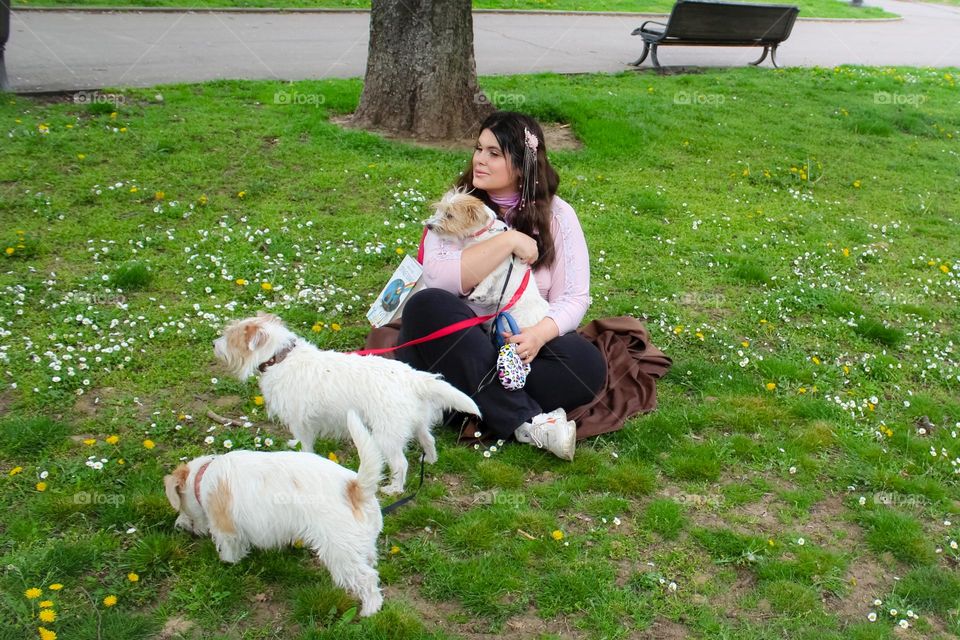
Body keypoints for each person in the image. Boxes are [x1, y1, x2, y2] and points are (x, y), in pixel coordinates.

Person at [396, 111, 606, 461]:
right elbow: (443, 278)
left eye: (494, 153)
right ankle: (527, 421)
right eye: (479, 149)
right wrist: (509, 242)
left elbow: (573, 297)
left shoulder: (558, 215)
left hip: (520, 346)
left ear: (523, 166)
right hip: (459, 341)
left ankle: (472, 403)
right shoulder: (456, 208)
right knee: (426, 305)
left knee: (587, 364)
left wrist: (538, 335)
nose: (480, 159)